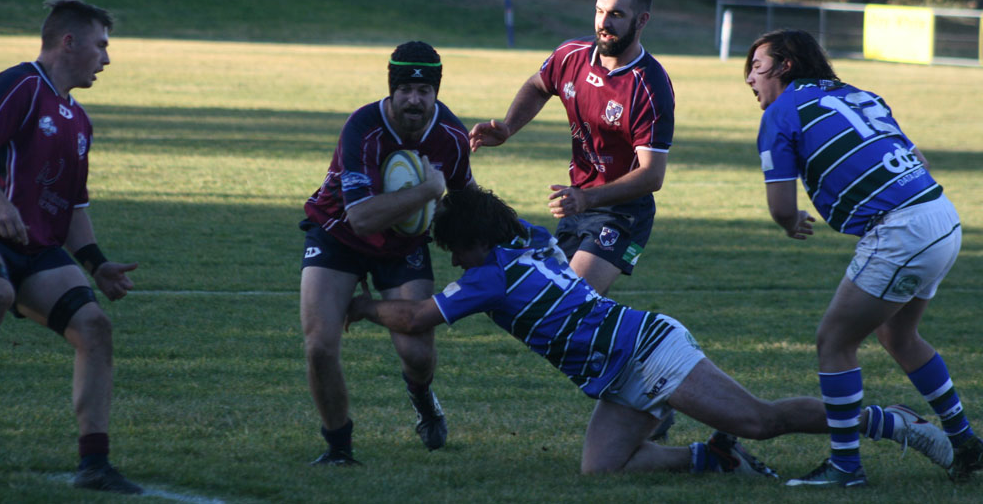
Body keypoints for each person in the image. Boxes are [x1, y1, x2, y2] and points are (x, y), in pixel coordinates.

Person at [345, 186, 948, 476]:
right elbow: (487, 214)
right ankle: (714, 459)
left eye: (455, 250)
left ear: (476, 243)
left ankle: (892, 421)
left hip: (648, 351)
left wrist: (361, 306)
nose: (453, 261)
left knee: (761, 421)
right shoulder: (527, 239)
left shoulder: (488, 278)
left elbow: (414, 317)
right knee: (600, 470)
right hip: (619, 373)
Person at [744, 28, 982, 487]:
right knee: (898, 335)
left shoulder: (781, 113)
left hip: (901, 230)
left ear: (786, 65)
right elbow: (920, 161)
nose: (750, 79)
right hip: (942, 216)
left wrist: (790, 222)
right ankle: (964, 438)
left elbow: (780, 206)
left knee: (833, 341)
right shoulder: (858, 94)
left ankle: (846, 467)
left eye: (757, 67)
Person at [0, 0, 141, 494]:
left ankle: (94, 465)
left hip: (33, 248)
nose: (107, 59)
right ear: (68, 42)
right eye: (101, 46)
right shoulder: (19, 84)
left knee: (94, 326)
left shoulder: (78, 119)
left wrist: (97, 264)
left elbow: (72, 206)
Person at [300, 41, 474, 465]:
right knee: (319, 346)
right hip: (337, 233)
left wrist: (510, 243)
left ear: (436, 92)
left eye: (424, 90)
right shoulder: (363, 127)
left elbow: (466, 201)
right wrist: (428, 190)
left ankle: (422, 396)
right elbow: (360, 218)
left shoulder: (451, 136)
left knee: (417, 354)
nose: (414, 100)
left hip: (403, 247)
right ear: (391, 90)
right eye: (405, 90)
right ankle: (339, 447)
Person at [469, 0, 673, 295]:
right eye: (599, 11)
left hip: (623, 212)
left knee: (569, 302)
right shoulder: (571, 56)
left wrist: (587, 198)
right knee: (549, 304)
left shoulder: (649, 87)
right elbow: (538, 86)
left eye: (616, 15)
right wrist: (509, 126)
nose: (603, 23)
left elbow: (652, 176)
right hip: (578, 201)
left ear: (642, 20)